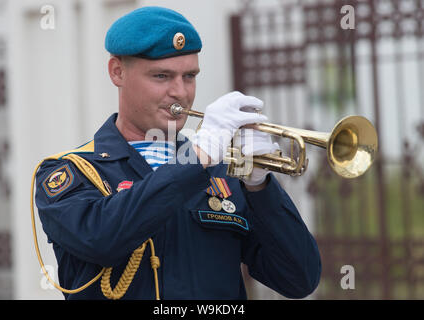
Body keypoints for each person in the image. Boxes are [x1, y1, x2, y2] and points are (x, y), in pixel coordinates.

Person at [34, 6, 321, 300]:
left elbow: (299, 279)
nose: (180, 92)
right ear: (117, 72)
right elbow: (101, 238)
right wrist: (197, 157)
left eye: (189, 76)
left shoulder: (219, 169)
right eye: (161, 76)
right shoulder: (71, 173)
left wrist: (260, 187)